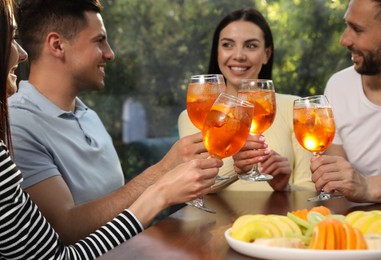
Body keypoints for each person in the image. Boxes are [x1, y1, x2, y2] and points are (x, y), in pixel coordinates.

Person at [0, 0, 221, 258]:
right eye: (99, 41)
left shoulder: (88, 115)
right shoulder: (17, 121)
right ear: (57, 45)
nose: (110, 53)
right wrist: (162, 174)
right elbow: (62, 235)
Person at [178, 8, 315, 192]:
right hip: (215, 222)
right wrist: (239, 169)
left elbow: (311, 190)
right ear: (217, 52)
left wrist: (285, 187)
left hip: (277, 221)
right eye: (228, 45)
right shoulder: (194, 114)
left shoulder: (293, 107)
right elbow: (194, 188)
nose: (239, 55)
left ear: (267, 54)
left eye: (251, 46)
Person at [311, 0, 381, 203]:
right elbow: (337, 185)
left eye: (357, 29)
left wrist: (367, 186)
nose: (344, 40)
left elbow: (356, 187)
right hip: (360, 224)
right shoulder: (339, 86)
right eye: (347, 25)